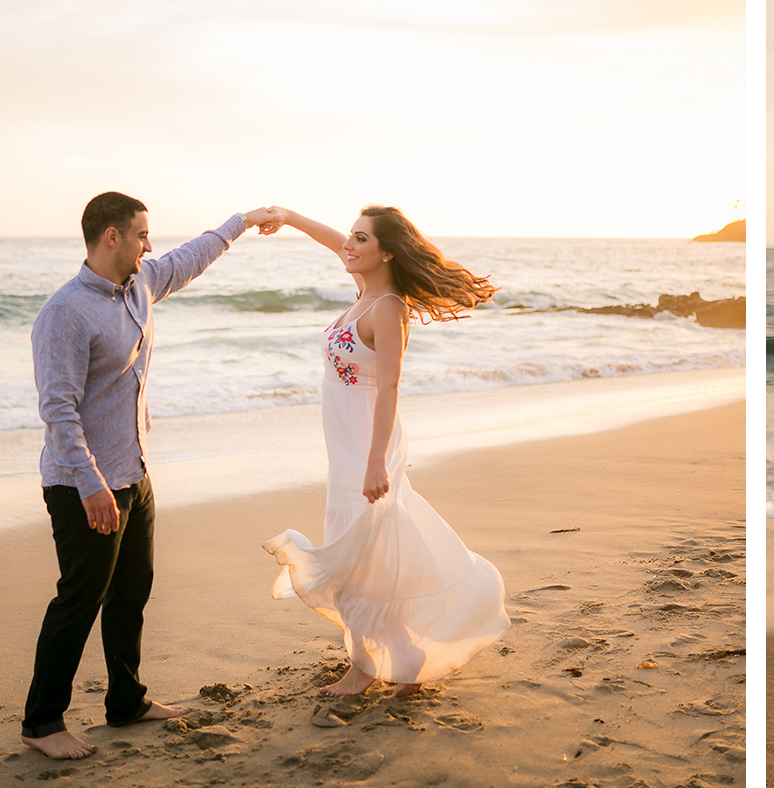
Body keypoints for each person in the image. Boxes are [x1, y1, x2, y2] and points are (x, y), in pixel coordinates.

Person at [25, 192, 285, 759]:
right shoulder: (65, 313)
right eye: (142, 234)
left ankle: (126, 702)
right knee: (80, 598)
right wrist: (91, 483)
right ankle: (42, 723)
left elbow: (193, 256)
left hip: (134, 471)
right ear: (111, 237)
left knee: (130, 592)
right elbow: (59, 410)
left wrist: (241, 222)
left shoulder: (139, 285)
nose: (151, 245)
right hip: (83, 484)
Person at [261, 205, 511, 697]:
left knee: (360, 553)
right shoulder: (364, 292)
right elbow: (335, 241)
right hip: (346, 443)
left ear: (387, 252)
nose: (348, 246)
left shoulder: (387, 308)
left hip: (368, 445)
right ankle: (406, 655)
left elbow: (390, 389)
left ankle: (364, 666)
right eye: (350, 237)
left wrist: (376, 462)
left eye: (361, 239)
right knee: (372, 548)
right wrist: (288, 218)